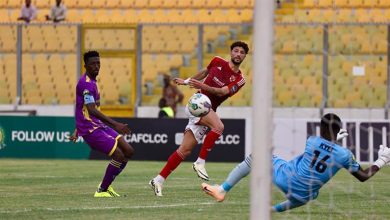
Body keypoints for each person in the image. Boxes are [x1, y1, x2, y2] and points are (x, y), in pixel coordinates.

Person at [201, 113, 390, 212]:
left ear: (321, 128)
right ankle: (272, 210)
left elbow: (323, 145)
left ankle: (222, 189)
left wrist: (332, 140)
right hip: (304, 195)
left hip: (286, 178)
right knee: (312, 193)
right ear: (339, 129)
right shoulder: (344, 154)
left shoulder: (312, 140)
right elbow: (363, 177)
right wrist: (382, 160)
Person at [149, 41, 249, 196]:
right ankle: (200, 162)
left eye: (241, 52)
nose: (238, 54)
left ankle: (158, 180)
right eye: (236, 51)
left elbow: (221, 92)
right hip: (198, 102)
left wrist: (201, 85)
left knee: (184, 150)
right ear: (231, 52)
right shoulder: (217, 61)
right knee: (219, 127)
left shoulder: (239, 79)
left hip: (207, 108)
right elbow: (204, 72)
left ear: (244, 56)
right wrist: (187, 81)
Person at [69, 51, 135, 198]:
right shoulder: (85, 84)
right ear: (85, 66)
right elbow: (91, 110)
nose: (96, 66)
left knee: (128, 151)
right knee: (118, 155)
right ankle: (102, 190)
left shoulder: (93, 82)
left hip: (97, 125)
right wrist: (115, 124)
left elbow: (82, 108)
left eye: (98, 63)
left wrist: (76, 128)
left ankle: (106, 185)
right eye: (93, 63)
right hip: (90, 130)